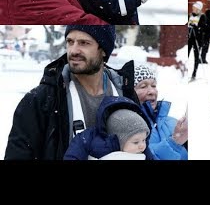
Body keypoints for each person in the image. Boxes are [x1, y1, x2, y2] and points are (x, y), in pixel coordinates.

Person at [4, 25, 140, 160]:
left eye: (84, 43)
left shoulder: (125, 92)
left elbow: (143, 145)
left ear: (103, 50)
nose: (74, 50)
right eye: (70, 42)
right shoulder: (42, 100)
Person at [64, 96, 154, 160]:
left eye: (144, 140)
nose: (142, 146)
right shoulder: (96, 143)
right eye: (136, 142)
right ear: (118, 140)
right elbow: (74, 153)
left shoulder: (142, 150)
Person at [133, 64, 188, 160]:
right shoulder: (128, 125)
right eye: (143, 86)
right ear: (131, 92)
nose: (152, 91)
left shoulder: (173, 123)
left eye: (153, 85)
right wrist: (174, 142)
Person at [188, 1, 206, 80]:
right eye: (193, 8)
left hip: (197, 40)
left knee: (196, 57)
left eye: (195, 8)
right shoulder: (190, 15)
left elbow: (202, 28)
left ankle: (194, 74)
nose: (193, 9)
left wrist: (196, 27)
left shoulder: (202, 16)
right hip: (189, 39)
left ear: (198, 9)